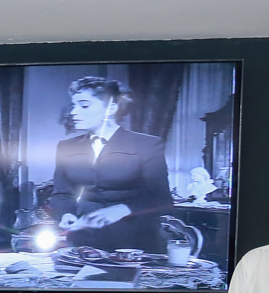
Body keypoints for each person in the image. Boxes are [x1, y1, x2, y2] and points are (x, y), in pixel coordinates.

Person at [45, 76, 174, 254]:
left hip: (136, 242)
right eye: (73, 105)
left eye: (84, 105)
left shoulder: (146, 144)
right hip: (85, 241)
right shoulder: (66, 147)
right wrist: (66, 213)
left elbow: (162, 198)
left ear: (111, 109)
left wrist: (123, 209)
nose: (73, 112)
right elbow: (62, 194)